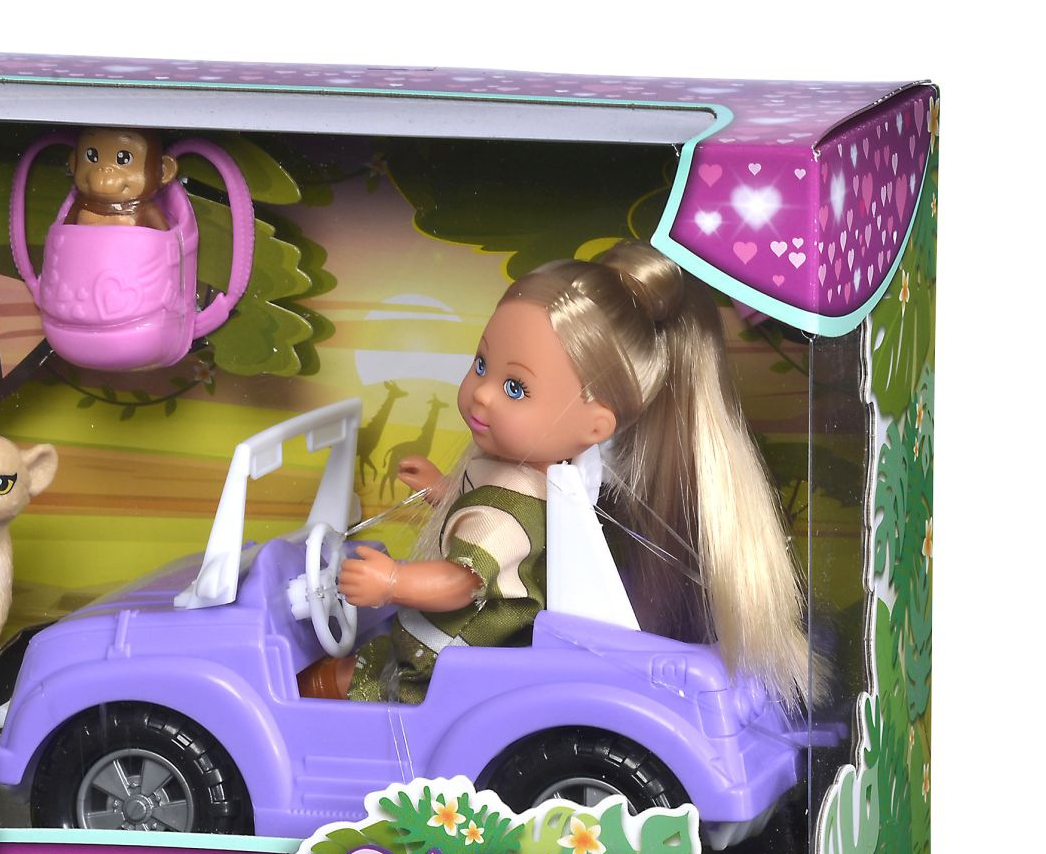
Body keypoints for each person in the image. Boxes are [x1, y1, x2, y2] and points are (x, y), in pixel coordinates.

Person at [299, 242, 812, 708]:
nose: (481, 393)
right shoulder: (525, 480)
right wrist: (441, 489)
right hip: (440, 652)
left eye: (516, 388)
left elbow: (462, 582)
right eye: (481, 364)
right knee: (339, 670)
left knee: (329, 682)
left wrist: (393, 581)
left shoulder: (513, 510)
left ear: (595, 426)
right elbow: (484, 508)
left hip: (444, 669)